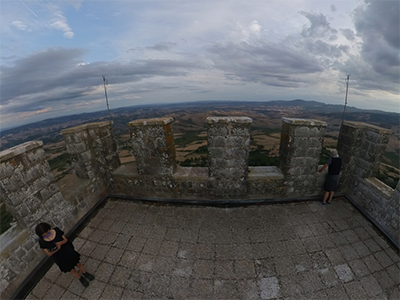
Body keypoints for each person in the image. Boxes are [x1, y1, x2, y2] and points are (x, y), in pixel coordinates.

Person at [35, 222, 95, 287]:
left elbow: (65, 240)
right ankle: (80, 278)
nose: (47, 235)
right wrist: (57, 249)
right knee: (71, 269)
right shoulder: (42, 242)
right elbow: (49, 253)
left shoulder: (56, 231)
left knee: (78, 263)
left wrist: (60, 243)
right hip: (59, 257)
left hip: (67, 251)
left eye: (47, 233)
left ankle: (85, 273)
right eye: (44, 235)